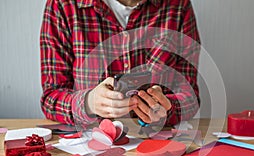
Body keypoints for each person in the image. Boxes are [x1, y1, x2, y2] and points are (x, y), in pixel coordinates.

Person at [40, 0, 201, 128]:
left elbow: (190, 98)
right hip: (88, 143)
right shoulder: (63, 5)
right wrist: (89, 102)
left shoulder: (178, 5)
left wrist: (168, 108)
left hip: (156, 143)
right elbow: (50, 99)